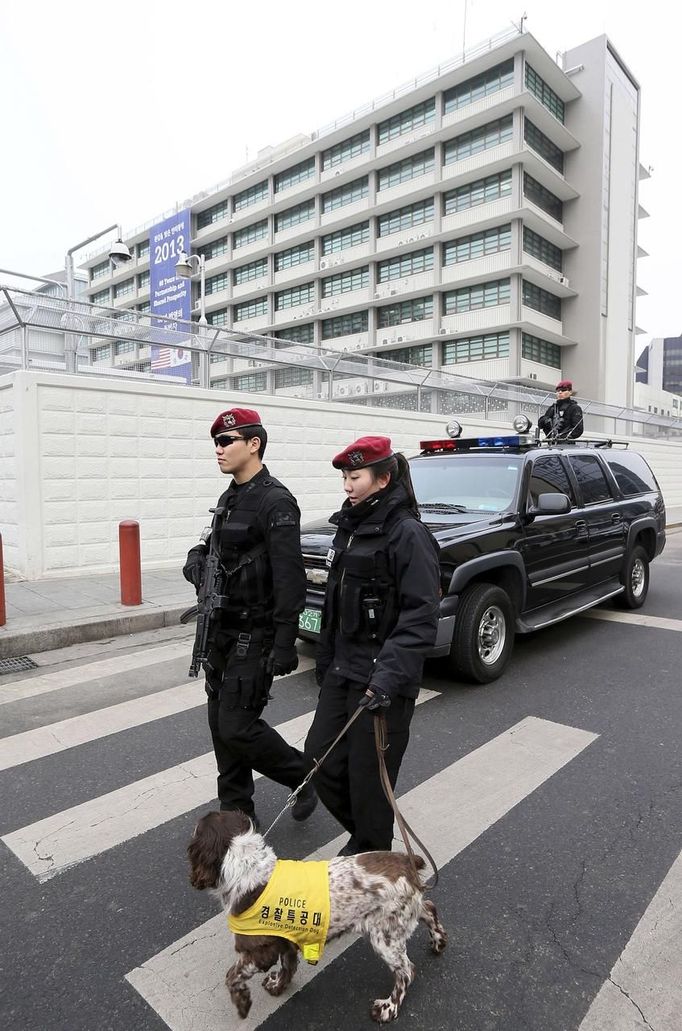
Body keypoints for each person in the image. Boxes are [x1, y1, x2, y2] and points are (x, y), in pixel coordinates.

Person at [304, 435, 441, 855]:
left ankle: (370, 848)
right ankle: (371, 839)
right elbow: (333, 603)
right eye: (345, 475)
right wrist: (324, 663)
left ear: (382, 480)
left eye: (355, 476)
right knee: (318, 760)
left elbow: (420, 615)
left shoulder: (407, 533)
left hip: (382, 680)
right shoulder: (349, 527)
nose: (347, 484)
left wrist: (387, 679)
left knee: (368, 778)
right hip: (343, 671)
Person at [183, 407, 317, 824]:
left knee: (238, 727)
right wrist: (196, 559)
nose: (218, 450)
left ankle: (304, 775)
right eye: (216, 443)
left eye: (226, 442)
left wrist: (284, 641)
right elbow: (214, 548)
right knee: (218, 725)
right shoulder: (230, 497)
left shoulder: (276, 501)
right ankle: (237, 811)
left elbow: (290, 577)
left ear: (253, 444)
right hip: (220, 633)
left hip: (253, 635)